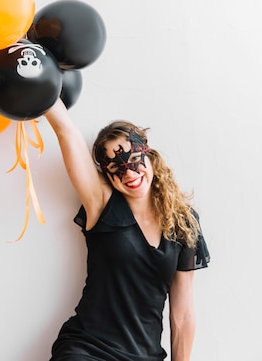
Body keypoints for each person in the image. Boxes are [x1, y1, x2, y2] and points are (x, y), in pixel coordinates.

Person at [44, 98, 210, 361]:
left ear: (149, 156)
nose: (129, 173)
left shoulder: (183, 222)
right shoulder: (101, 204)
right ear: (107, 176)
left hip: (144, 355)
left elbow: (183, 312)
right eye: (115, 168)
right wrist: (37, 69)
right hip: (87, 349)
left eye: (134, 159)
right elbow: (66, 130)